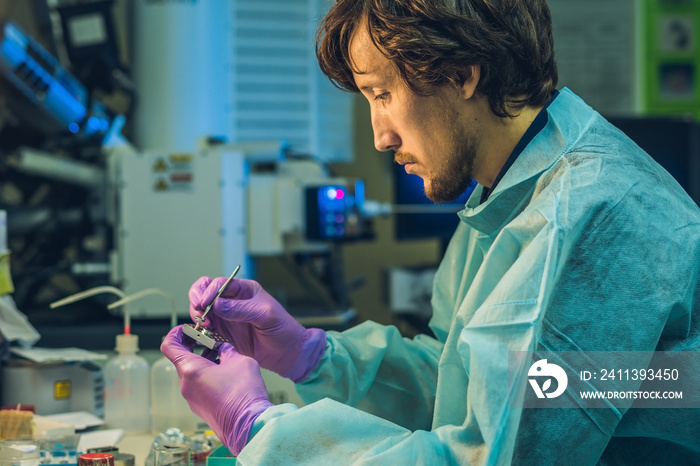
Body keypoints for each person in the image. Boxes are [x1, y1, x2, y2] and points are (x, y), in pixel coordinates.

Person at [160, 0, 700, 463]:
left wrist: (258, 428)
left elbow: (487, 457)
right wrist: (309, 354)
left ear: (462, 73)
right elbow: (457, 381)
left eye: (381, 94)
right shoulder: (510, 190)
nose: (380, 137)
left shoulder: (585, 214)